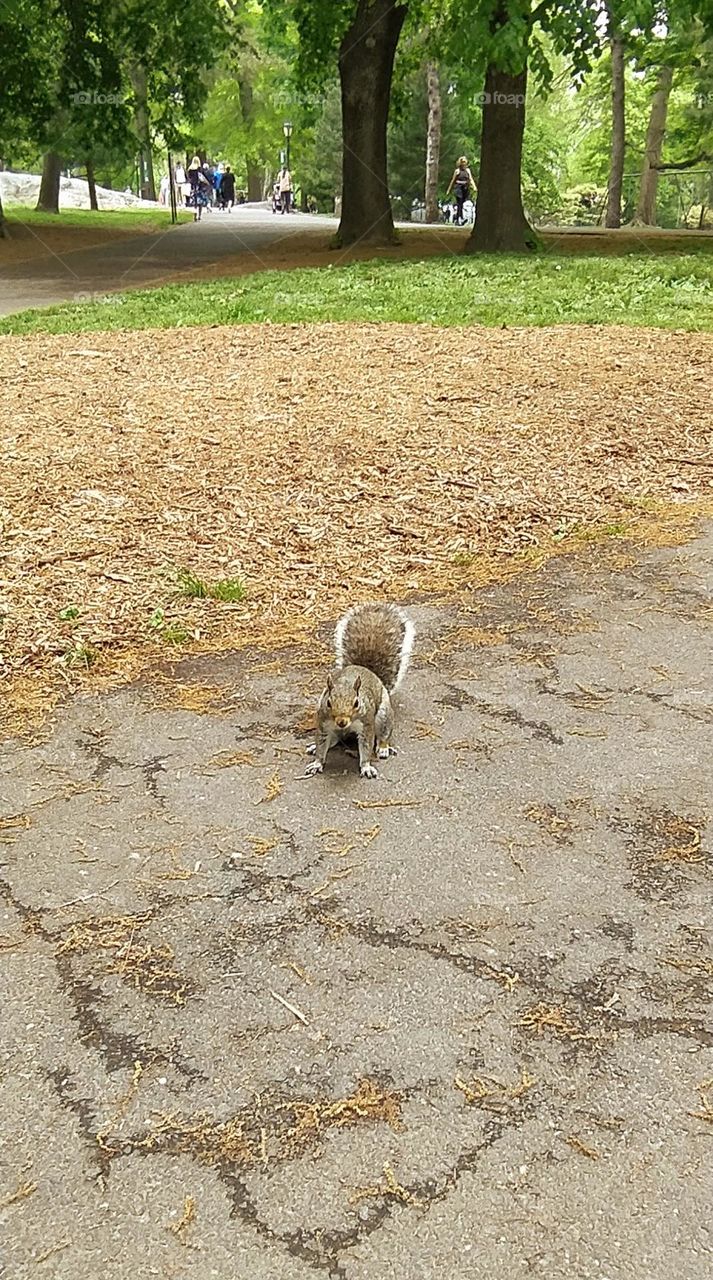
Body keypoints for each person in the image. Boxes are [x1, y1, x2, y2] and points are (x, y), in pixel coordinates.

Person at [446, 155, 476, 226]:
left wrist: (474, 187)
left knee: (462, 203)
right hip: (458, 188)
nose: (464, 163)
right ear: (460, 163)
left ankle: (457, 218)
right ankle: (460, 218)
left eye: (465, 162)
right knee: (459, 203)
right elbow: (453, 181)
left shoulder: (467, 170)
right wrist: (449, 190)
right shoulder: (457, 171)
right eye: (462, 162)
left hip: (465, 188)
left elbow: (470, 179)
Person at [186, 155, 210, 222]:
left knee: (194, 202)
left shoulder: (190, 169)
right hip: (199, 187)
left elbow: (188, 178)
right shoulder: (199, 168)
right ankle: (199, 215)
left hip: (193, 186)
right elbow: (202, 177)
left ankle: (195, 214)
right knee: (200, 202)